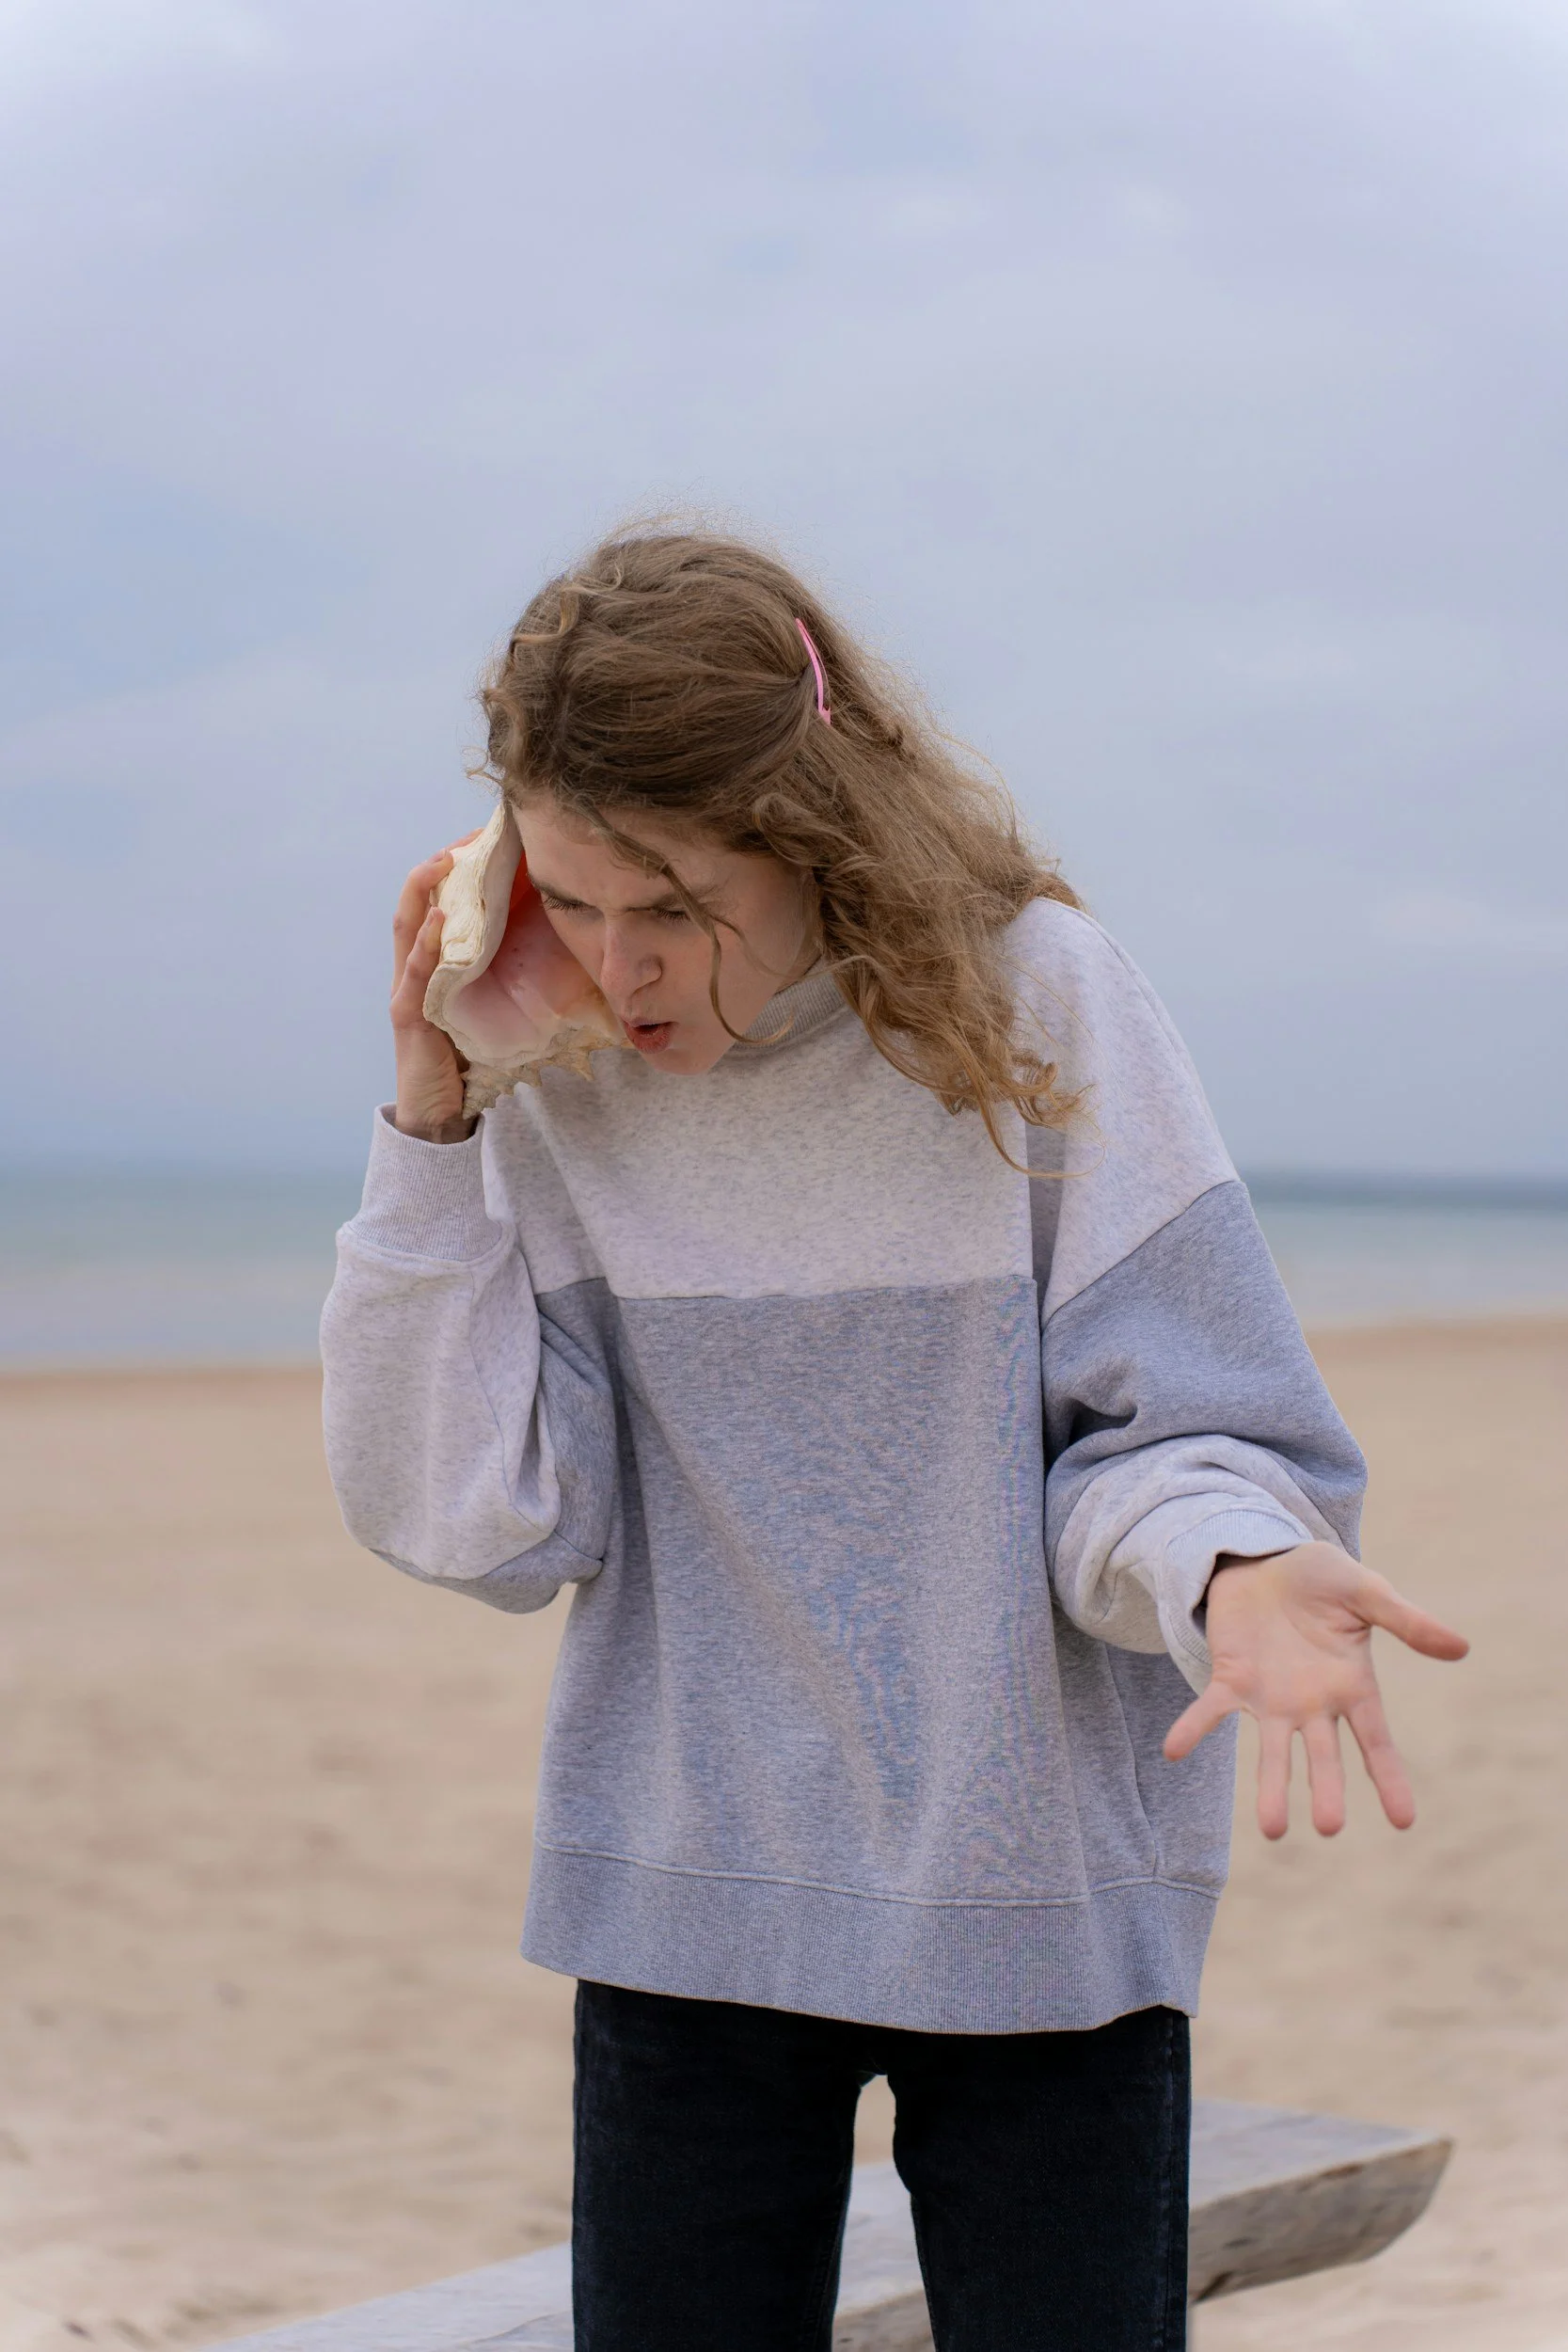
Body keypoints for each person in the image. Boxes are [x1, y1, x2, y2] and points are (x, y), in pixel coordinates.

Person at [320, 527, 1467, 2352]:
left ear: (811, 828)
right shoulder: (549, 1060)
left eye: (676, 903)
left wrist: (1228, 1559)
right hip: (686, 1908)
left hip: (1037, 1904)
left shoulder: (1040, 997)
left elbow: (1169, 1424)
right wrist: (429, 1116)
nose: (617, 966)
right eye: (568, 895)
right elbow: (478, 1524)